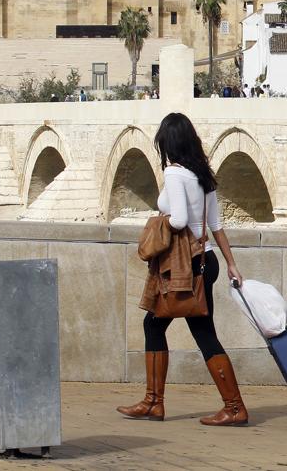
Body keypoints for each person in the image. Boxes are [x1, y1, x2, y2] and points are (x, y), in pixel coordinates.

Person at [117, 112, 248, 427]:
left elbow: (176, 221)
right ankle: (158, 403)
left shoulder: (175, 174)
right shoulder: (203, 175)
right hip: (207, 261)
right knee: (174, 328)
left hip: (184, 266)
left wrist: (156, 222)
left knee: (166, 327)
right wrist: (231, 264)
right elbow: (215, 225)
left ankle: (226, 407)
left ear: (168, 144)